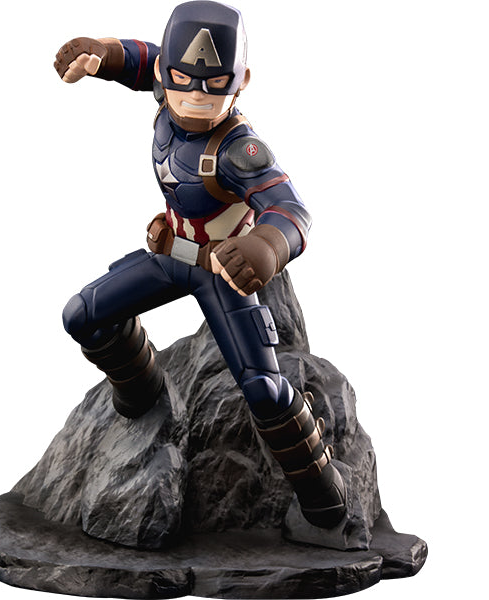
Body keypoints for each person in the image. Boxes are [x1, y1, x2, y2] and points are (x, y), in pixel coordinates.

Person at [56, 1, 346, 529]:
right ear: (166, 74)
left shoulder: (238, 149)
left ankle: (324, 499)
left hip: (223, 273)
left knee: (264, 390)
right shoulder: (167, 84)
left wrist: (264, 248)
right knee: (83, 316)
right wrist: (101, 54)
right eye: (182, 81)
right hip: (170, 256)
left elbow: (291, 210)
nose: (194, 96)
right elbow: (140, 60)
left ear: (241, 82)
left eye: (213, 86)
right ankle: (143, 392)